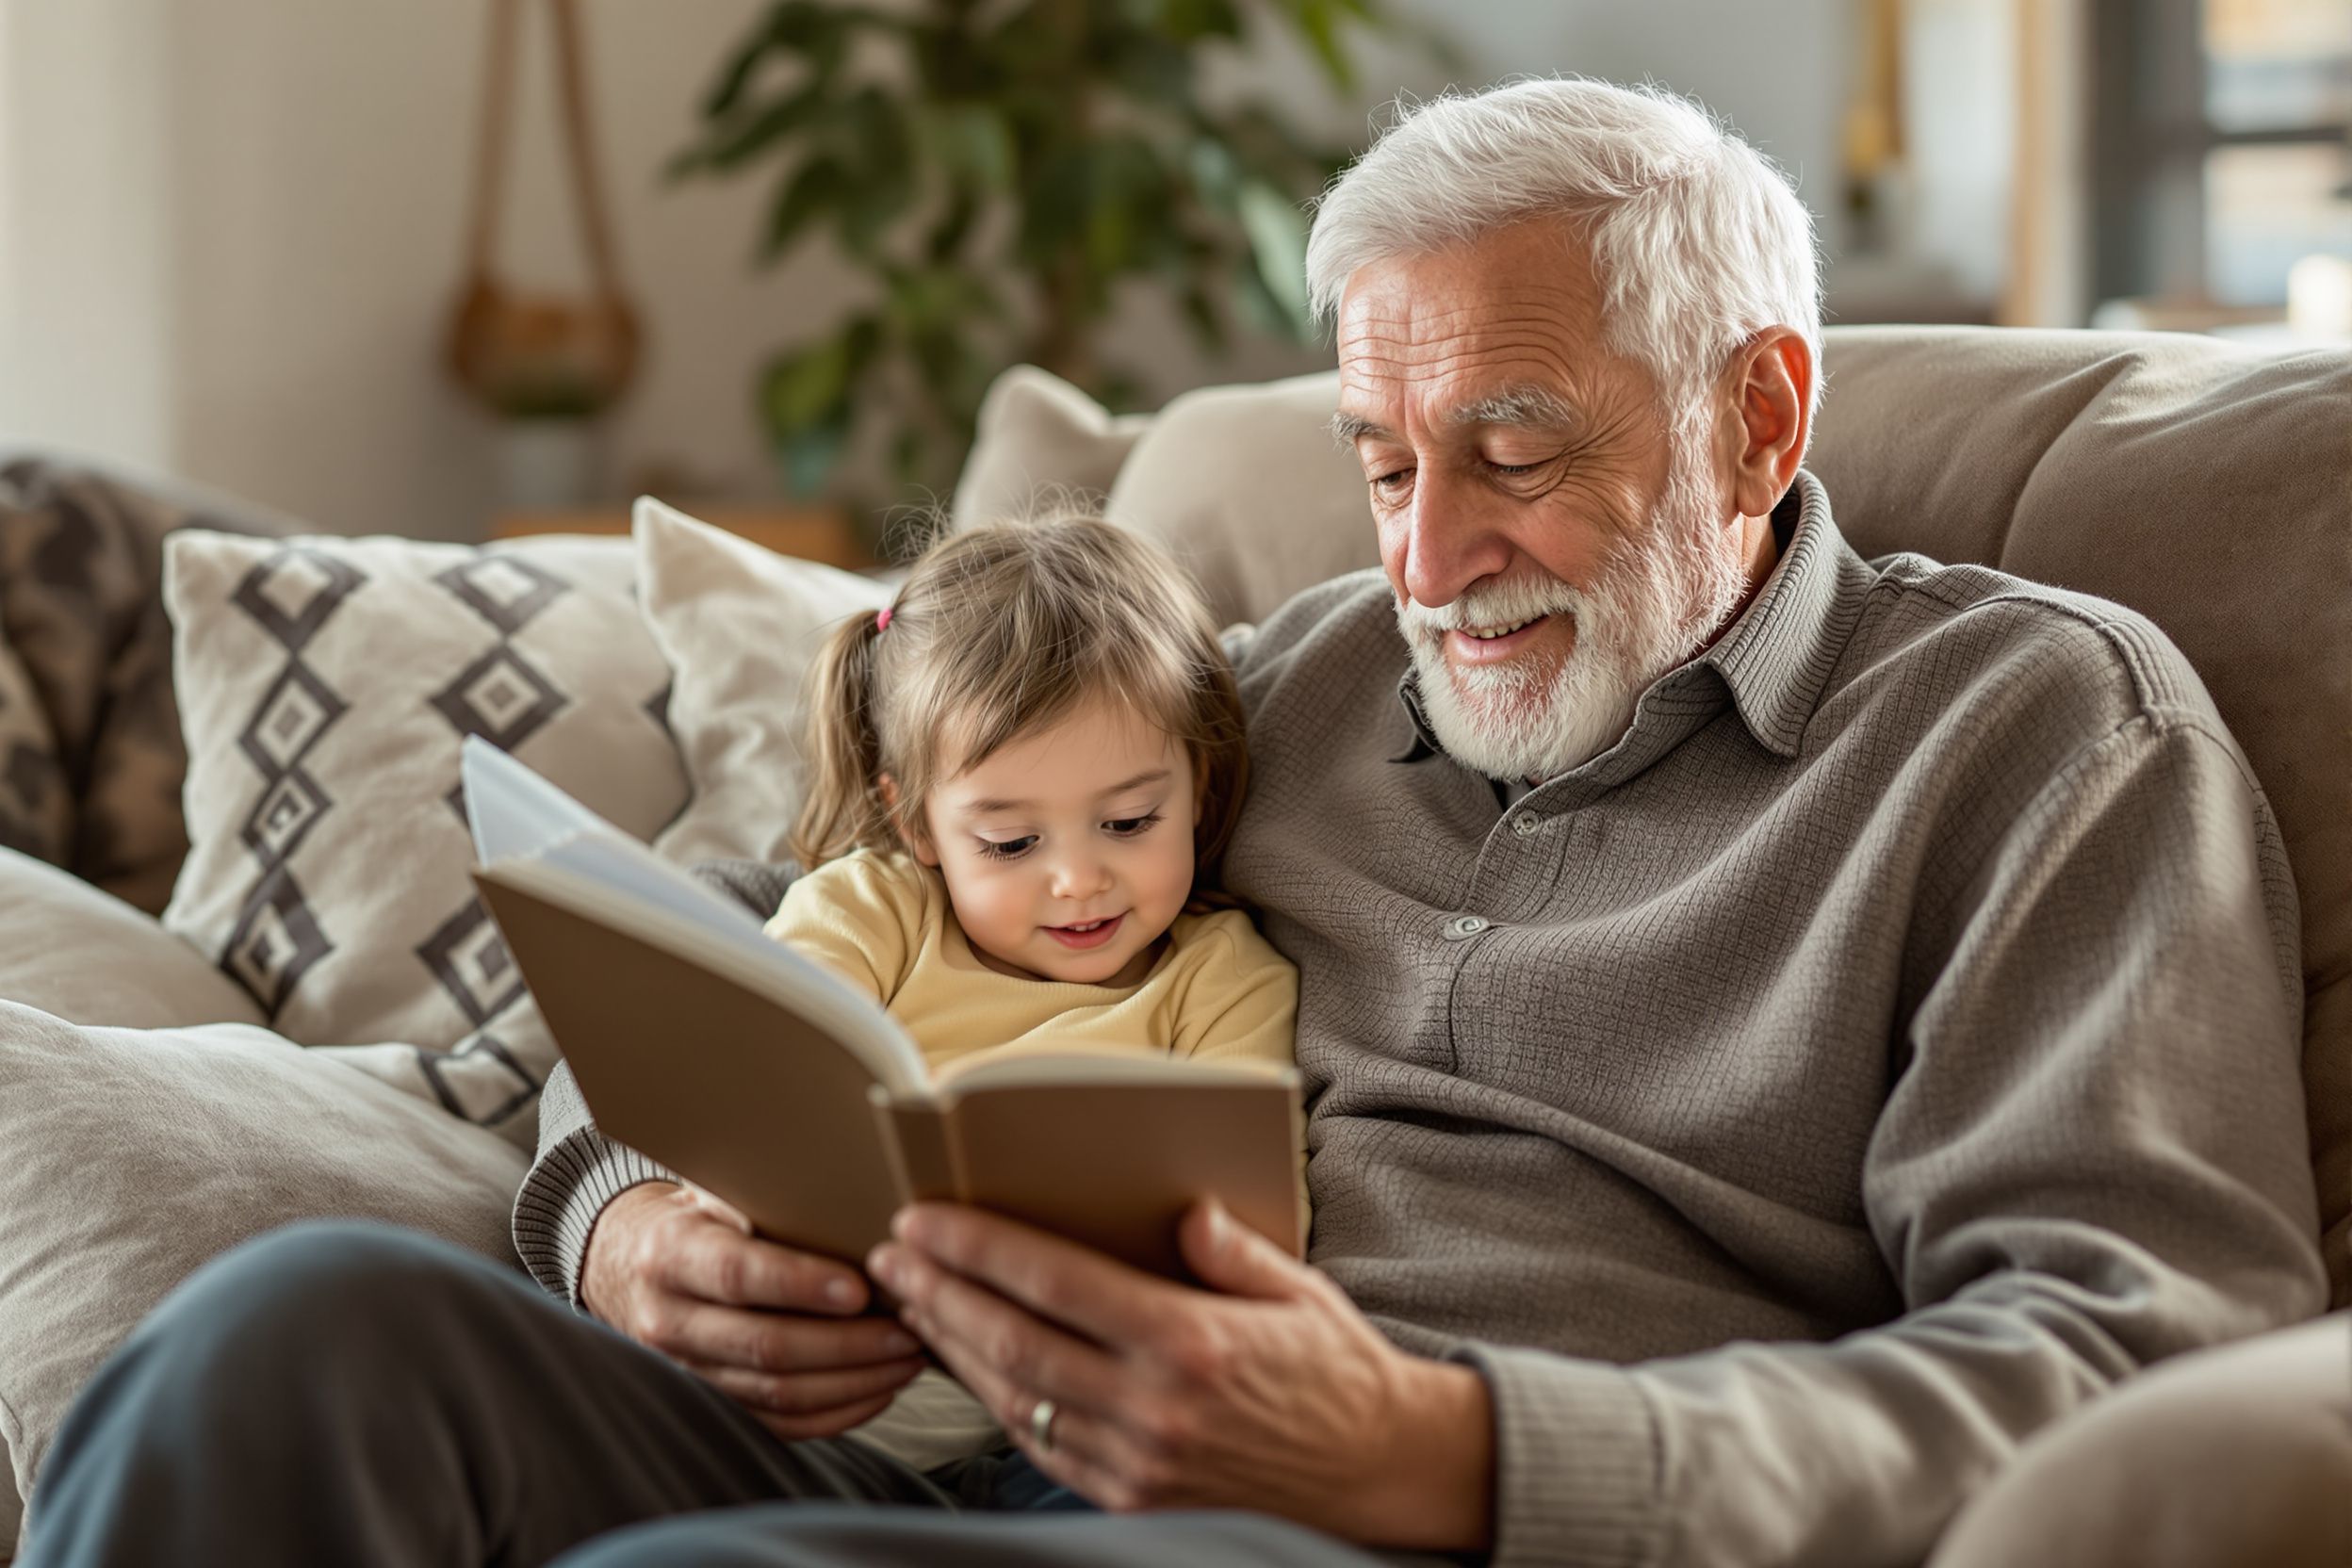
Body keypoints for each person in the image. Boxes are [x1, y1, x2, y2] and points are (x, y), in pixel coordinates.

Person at [21, 76, 2327, 1568]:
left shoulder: (2036, 733)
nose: (1429, 559)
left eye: (1514, 448)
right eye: (1382, 457)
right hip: (993, 1427)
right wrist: (627, 1212)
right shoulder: (1296, 673)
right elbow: (753, 953)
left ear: (1753, 410)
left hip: (1415, 1518)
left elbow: (2127, 1346)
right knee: (285, 1339)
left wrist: (1437, 1444)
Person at [736, 514, 1298, 1470]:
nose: (1079, 879)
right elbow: (754, 1069)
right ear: (915, 822)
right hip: (822, 1370)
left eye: (1128, 820)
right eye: (1010, 842)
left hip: (1075, 1417)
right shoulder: (871, 909)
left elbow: (1253, 1231)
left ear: (1198, 789)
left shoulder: (1221, 976)